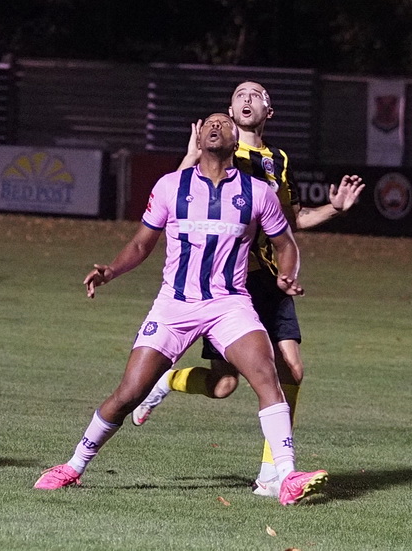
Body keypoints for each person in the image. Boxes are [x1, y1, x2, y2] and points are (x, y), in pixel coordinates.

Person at [34, 113, 328, 506]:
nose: (216, 127)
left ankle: (287, 476)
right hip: (174, 305)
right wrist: (110, 270)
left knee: (266, 375)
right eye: (209, 122)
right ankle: (73, 466)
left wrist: (286, 275)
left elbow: (286, 244)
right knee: (128, 393)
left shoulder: (258, 192)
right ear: (198, 135)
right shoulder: (172, 186)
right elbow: (141, 245)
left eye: (223, 124)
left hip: (229, 304)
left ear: (233, 141)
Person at [131, 81, 364, 498]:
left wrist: (335, 208)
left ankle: (272, 474)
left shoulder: (278, 160)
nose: (245, 98)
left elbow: (290, 222)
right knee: (224, 386)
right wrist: (191, 154)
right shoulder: (219, 146)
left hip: (267, 277)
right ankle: (164, 381)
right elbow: (179, 190)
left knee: (292, 368)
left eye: (256, 94)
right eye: (239, 94)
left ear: (268, 112)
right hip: (223, 281)